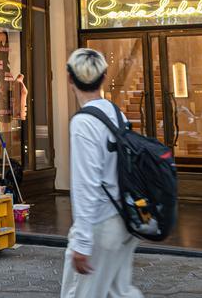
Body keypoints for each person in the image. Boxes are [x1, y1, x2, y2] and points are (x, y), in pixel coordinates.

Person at [60, 48, 143, 298]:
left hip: (100, 226)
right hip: (124, 221)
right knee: (119, 291)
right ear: (105, 76)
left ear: (69, 78)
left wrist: (82, 241)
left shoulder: (83, 123)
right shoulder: (116, 113)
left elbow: (86, 184)